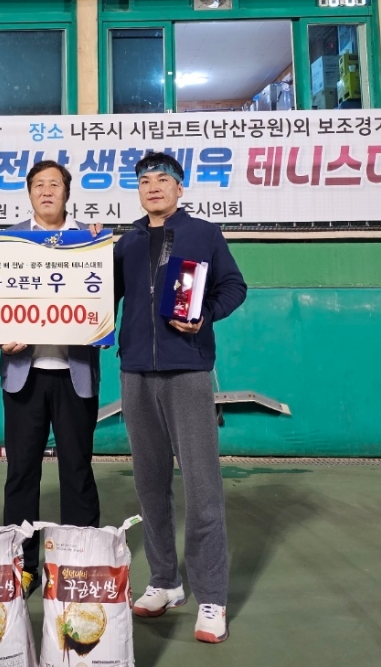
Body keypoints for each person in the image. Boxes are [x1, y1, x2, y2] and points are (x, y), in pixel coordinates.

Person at [113, 151, 247, 644]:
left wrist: (204, 316)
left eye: (162, 179)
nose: (153, 187)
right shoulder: (125, 242)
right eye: (144, 180)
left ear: (179, 187)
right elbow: (99, 298)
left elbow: (234, 286)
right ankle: (165, 581)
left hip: (188, 371)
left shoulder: (204, 234)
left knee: (201, 486)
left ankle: (211, 597)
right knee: (150, 484)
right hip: (135, 372)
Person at [0, 160, 102, 594]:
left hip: (75, 375)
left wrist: (102, 251)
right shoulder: (5, 243)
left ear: (66, 193)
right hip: (24, 375)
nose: (46, 191)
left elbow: (105, 298)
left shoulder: (91, 240)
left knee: (77, 469)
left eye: (54, 184)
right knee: (22, 472)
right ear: (29, 193)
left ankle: (78, 565)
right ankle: (23, 567)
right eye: (38, 184)